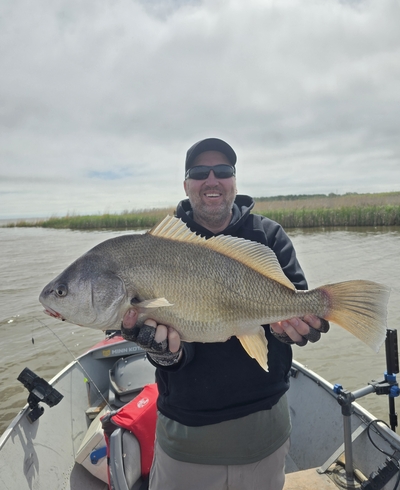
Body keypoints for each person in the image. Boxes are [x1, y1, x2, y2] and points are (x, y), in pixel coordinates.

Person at [121, 138, 329, 490]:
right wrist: (165, 354)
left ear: (235, 180)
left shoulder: (268, 235)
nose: (212, 180)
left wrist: (288, 329)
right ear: (186, 185)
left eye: (224, 171)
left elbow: (293, 305)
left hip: (266, 430)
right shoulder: (159, 247)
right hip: (187, 438)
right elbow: (174, 347)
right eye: (200, 172)